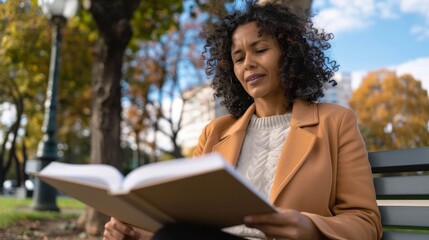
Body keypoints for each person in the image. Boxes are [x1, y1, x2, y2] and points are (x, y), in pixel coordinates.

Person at [103, 1, 382, 239]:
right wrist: (142, 235)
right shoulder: (215, 132)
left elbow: (366, 222)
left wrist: (310, 227)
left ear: (289, 54)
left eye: (260, 50)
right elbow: (189, 221)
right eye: (238, 57)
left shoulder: (336, 122)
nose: (247, 63)